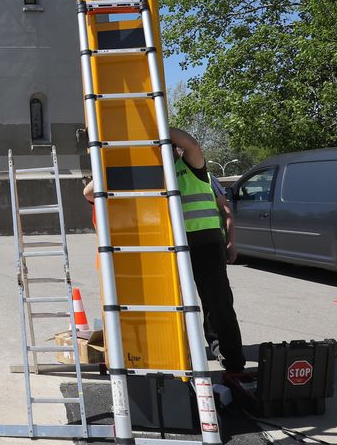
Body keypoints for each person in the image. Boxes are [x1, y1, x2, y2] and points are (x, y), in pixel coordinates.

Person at [84, 128, 249, 387]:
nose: (167, 150)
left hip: (203, 242)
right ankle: (182, 359)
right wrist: (114, 157)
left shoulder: (192, 166)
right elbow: (90, 193)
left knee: (218, 303)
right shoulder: (149, 173)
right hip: (169, 247)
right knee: (173, 306)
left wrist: (153, 123)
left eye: (170, 145)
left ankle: (233, 361)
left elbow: (192, 145)